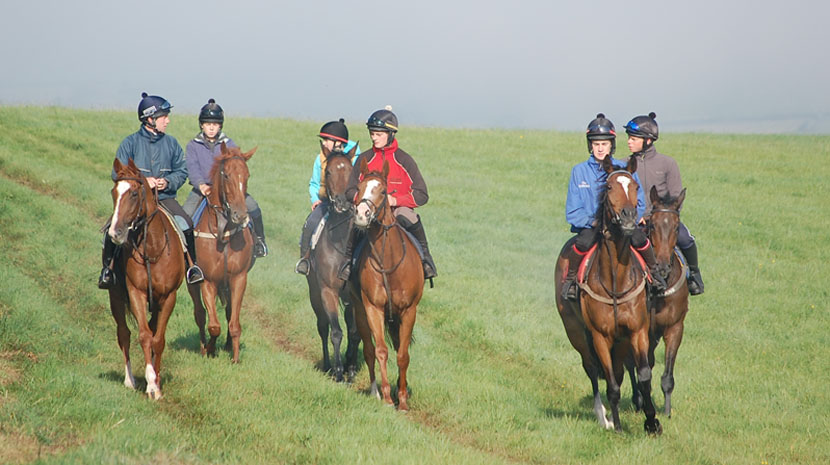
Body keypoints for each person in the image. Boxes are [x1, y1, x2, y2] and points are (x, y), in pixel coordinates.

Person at [98, 92, 204, 289]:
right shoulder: (129, 143)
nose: (168, 121)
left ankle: (193, 267)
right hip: (135, 201)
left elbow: (182, 170)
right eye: (164, 117)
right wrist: (144, 182)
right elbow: (117, 172)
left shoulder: (171, 143)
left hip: (164, 198)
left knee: (186, 224)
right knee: (112, 228)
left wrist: (168, 182)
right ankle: (108, 270)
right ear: (150, 119)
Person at [560, 113, 666, 301]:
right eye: (596, 144)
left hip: (622, 225)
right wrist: (593, 221)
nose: (600, 149)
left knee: (640, 239)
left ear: (612, 145)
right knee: (582, 243)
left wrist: (629, 220)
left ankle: (655, 276)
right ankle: (570, 282)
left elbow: (639, 202)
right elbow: (573, 210)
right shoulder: (579, 171)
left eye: (604, 144)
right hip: (592, 228)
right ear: (590, 145)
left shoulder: (624, 170)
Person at [337, 108, 437, 281]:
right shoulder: (364, 159)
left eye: (378, 134)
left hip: (397, 211)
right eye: (372, 134)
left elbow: (422, 194)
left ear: (390, 134)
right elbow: (350, 190)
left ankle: (426, 259)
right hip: (370, 211)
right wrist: (360, 202)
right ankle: (347, 263)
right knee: (357, 222)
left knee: (409, 216)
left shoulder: (405, 160)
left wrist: (395, 200)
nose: (373, 138)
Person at [624, 112, 704, 295]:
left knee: (685, 239)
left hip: (663, 219)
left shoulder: (668, 163)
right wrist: (638, 218)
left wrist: (659, 217)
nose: (629, 141)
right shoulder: (625, 164)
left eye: (633, 138)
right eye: (629, 137)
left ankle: (695, 276)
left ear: (648, 140)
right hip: (637, 221)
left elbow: (676, 196)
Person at [183, 98, 269, 258]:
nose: (211, 127)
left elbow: (236, 167)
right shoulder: (193, 146)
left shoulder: (229, 143)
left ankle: (259, 242)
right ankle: (185, 251)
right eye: (208, 124)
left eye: (215, 124)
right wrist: (201, 185)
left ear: (220, 126)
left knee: (254, 207)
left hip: (227, 188)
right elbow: (192, 168)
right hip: (202, 189)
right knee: (185, 216)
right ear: (201, 125)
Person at [294, 118, 360, 275]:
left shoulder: (356, 157)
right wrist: (315, 199)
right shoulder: (320, 159)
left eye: (326, 140)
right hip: (326, 202)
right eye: (323, 140)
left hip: (352, 203)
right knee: (311, 222)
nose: (323, 143)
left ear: (338, 143)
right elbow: (314, 183)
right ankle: (305, 260)